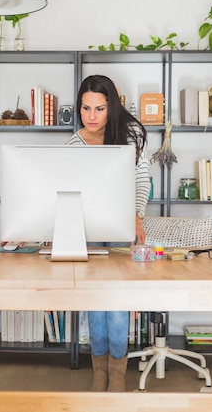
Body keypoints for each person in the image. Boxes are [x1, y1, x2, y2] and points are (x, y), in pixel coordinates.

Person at [66, 75, 150, 391]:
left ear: (111, 107)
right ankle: (98, 370)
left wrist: (137, 219)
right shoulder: (74, 144)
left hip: (120, 227)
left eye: (99, 108)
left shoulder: (130, 136)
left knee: (116, 303)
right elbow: (66, 188)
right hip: (86, 228)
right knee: (94, 303)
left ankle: (117, 374)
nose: (91, 116)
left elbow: (142, 182)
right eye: (85, 108)